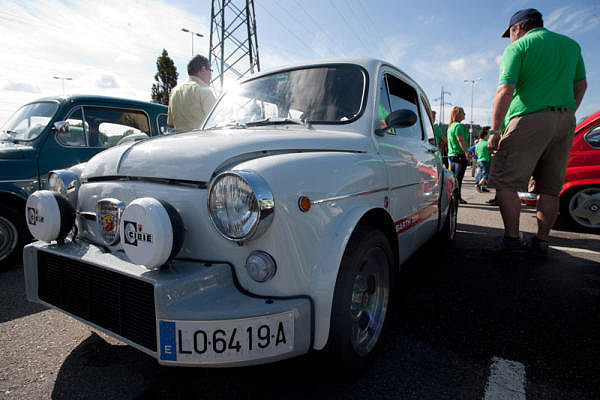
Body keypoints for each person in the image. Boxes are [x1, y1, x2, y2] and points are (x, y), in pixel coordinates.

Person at [486, 8, 587, 256]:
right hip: (565, 120)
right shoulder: (571, 45)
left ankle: (511, 241)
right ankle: (541, 242)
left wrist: (495, 129)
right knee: (550, 188)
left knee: (506, 182)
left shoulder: (518, 47)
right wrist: (566, 111)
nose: (510, 39)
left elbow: (505, 91)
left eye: (509, 33)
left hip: (529, 117)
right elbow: (581, 85)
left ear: (517, 28)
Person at [167, 54, 216, 133]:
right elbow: (216, 121)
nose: (211, 75)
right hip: (202, 141)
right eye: (210, 70)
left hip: (180, 141)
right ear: (203, 69)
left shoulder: (174, 91)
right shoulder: (204, 90)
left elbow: (170, 123)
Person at [447, 106, 471, 204]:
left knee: (452, 179)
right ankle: (457, 198)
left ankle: (451, 197)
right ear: (459, 114)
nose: (465, 114)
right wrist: (466, 152)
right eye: (463, 113)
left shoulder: (450, 126)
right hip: (459, 155)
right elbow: (460, 140)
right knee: (458, 179)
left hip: (451, 155)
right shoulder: (458, 126)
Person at [475, 128, 491, 192]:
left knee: (481, 174)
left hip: (479, 160)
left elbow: (476, 153)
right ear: (485, 136)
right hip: (485, 160)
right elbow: (491, 151)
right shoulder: (486, 143)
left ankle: (482, 187)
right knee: (486, 174)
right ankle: (479, 185)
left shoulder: (477, 144)